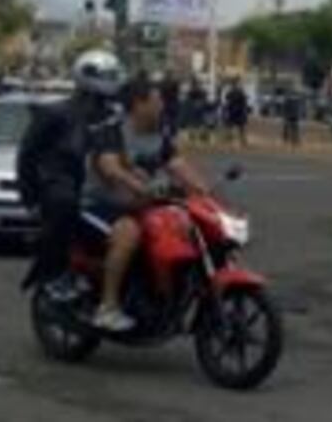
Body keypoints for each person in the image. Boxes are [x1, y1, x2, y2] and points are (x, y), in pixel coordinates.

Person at [84, 77, 210, 331]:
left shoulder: (159, 134)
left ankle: (163, 294)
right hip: (100, 206)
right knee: (129, 233)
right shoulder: (112, 131)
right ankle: (107, 307)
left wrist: (204, 191)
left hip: (142, 204)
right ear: (139, 104)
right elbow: (111, 168)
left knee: (185, 225)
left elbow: (178, 165)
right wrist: (141, 187)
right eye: (157, 100)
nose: (162, 105)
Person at [17, 50, 124, 295]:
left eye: (113, 74)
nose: (112, 79)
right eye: (107, 75)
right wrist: (30, 197)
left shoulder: (112, 116)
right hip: (60, 184)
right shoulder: (54, 114)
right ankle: (55, 273)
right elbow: (27, 155)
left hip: (96, 189)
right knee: (64, 203)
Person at [223, 81, 250, 146]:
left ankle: (241, 140)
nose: (234, 86)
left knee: (239, 126)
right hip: (236, 110)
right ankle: (239, 139)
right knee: (236, 126)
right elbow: (227, 99)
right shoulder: (237, 92)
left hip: (236, 110)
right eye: (234, 85)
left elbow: (227, 99)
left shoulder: (235, 92)